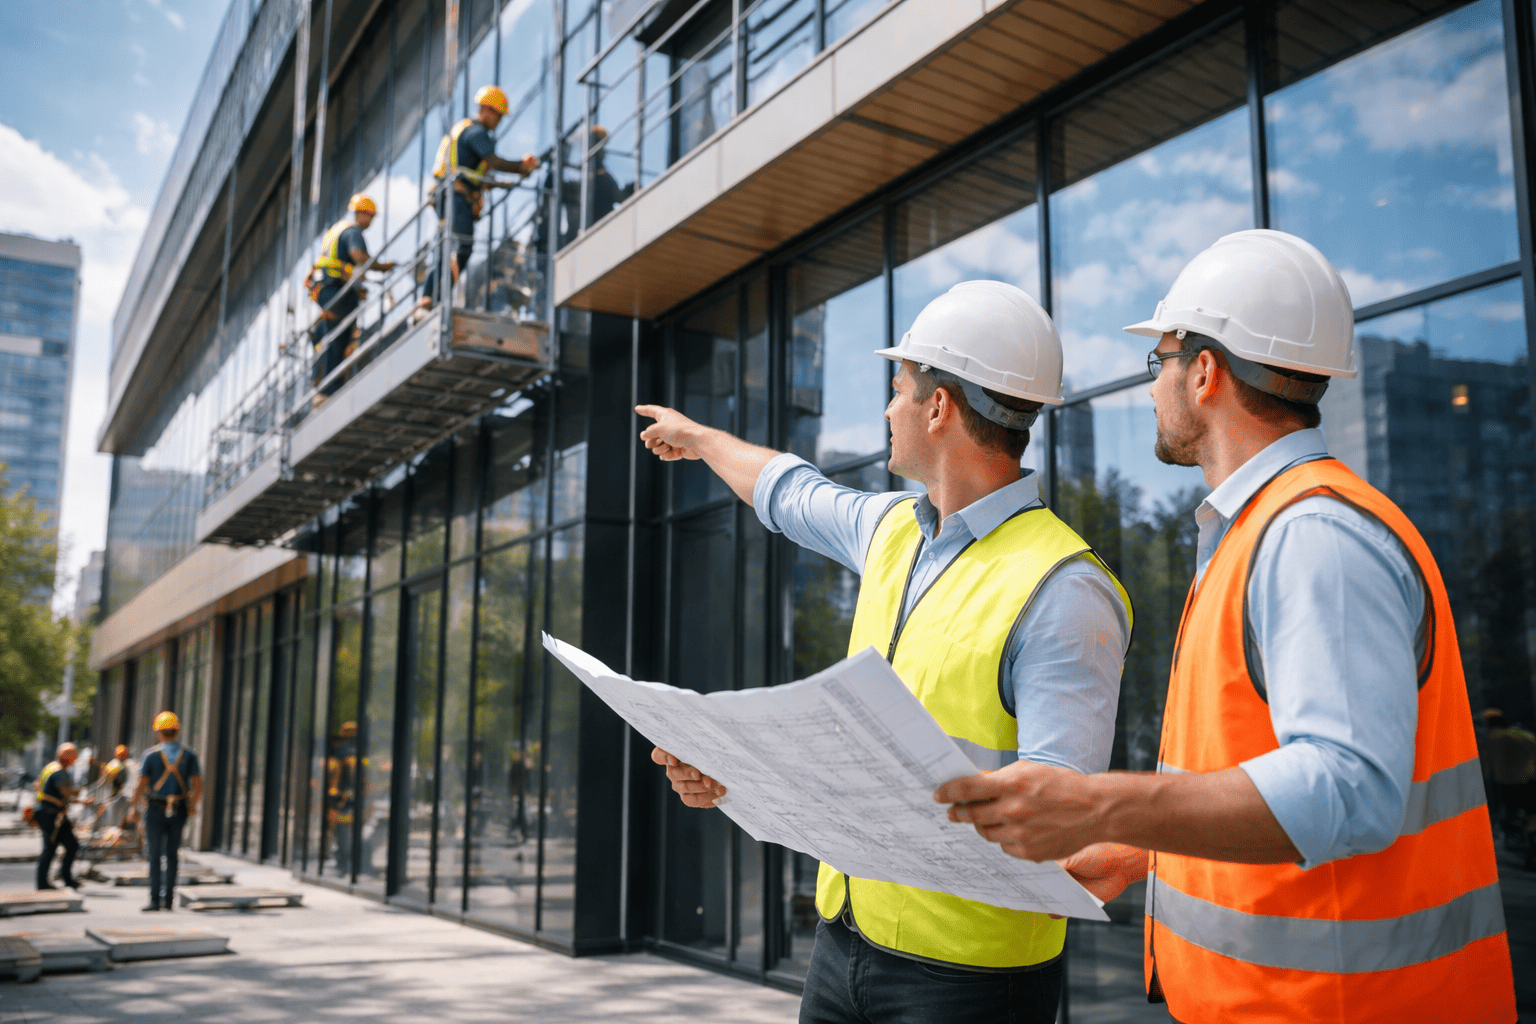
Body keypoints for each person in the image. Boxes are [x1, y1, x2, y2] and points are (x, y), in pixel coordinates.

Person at [935, 230, 1518, 1022]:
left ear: (1204, 372)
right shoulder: (1263, 530)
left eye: (1160, 362)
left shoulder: (1313, 536)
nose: (1151, 388)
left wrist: (1100, 804)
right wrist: (1143, 848)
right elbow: (1264, 766)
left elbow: (1349, 791)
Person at [638, 280, 1133, 1024]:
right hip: (845, 943)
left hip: (970, 978)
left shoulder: (1063, 588)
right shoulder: (894, 529)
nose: (887, 408)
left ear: (938, 407)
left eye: (898, 388)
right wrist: (701, 439)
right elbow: (787, 491)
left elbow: (1061, 816)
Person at [417, 85, 540, 313]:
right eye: (497, 115)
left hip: (449, 193)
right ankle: (436, 298)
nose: (499, 121)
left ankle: (429, 298)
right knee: (462, 247)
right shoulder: (476, 132)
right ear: (485, 109)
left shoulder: (463, 132)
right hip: (456, 195)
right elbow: (494, 161)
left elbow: (477, 173)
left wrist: (500, 183)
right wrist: (520, 167)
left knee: (450, 247)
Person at [309, 193, 394, 398]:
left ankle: (318, 342)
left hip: (325, 288)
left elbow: (343, 264)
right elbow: (359, 256)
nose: (371, 221)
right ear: (361, 214)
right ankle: (330, 387)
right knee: (340, 336)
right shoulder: (353, 231)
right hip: (333, 288)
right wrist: (381, 267)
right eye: (370, 216)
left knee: (330, 331)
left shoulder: (338, 230)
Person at [126, 712, 202, 912]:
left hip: (155, 808)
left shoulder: (150, 755)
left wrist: (133, 807)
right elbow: (198, 784)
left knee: (154, 854)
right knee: (172, 854)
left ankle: (154, 900)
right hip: (179, 808)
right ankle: (168, 900)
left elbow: (141, 784)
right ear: (176, 731)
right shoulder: (189, 754)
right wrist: (193, 804)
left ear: (159, 732)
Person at [32, 742, 92, 890]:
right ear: (68, 757)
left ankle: (67, 879)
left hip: (52, 813)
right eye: (74, 755)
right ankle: (42, 883)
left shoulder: (50, 767)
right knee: (50, 848)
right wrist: (78, 794)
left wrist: (77, 798)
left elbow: (40, 787)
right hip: (50, 814)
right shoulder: (59, 771)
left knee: (71, 845)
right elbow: (64, 792)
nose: (76, 758)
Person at [1482, 709, 1536, 869]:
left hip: (1507, 786)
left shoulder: (1491, 739)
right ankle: (1530, 845)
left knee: (1509, 818)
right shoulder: (1526, 736)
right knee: (1532, 815)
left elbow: (1486, 769)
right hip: (1530, 782)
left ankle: (1526, 845)